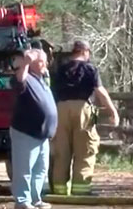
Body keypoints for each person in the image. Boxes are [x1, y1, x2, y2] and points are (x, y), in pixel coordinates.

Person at [50, 40, 120, 196]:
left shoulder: (60, 70)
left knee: (62, 151)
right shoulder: (90, 69)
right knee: (85, 150)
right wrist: (112, 111)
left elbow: (52, 92)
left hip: (60, 109)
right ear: (85, 52)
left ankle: (60, 190)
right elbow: (100, 92)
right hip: (84, 109)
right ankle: (81, 189)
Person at [9, 48, 58, 209]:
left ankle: (36, 199)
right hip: (26, 132)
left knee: (40, 170)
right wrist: (26, 63)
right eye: (42, 61)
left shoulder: (41, 79)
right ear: (34, 63)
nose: (46, 64)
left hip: (42, 135)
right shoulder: (24, 79)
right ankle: (22, 201)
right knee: (24, 169)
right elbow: (19, 79)